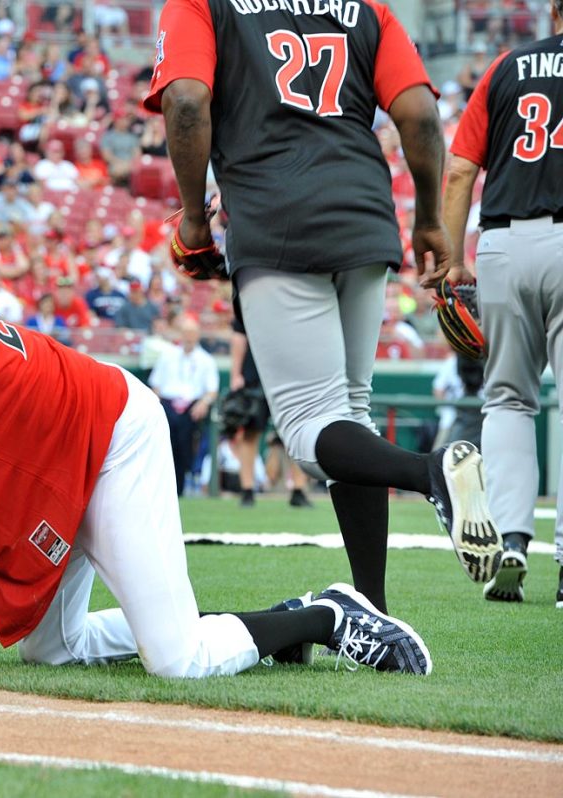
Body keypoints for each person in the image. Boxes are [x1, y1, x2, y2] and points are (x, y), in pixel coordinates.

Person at [0, 216, 433, 677]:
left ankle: (329, 614)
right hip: (45, 462)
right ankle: (270, 626)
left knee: (177, 660)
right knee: (52, 650)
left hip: (105, 438)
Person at [144, 0, 501, 610]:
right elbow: (417, 113)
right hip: (363, 213)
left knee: (310, 431)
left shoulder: (200, 4)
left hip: (274, 211)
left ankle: (431, 474)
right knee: (349, 415)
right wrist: (427, 219)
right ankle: (374, 608)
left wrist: (198, 219)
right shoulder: (368, 9)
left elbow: (184, 102)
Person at [443, 0, 563, 606]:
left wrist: (449, 257)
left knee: (510, 399)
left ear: (553, 12)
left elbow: (461, 169)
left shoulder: (506, 67)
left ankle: (513, 538)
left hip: (504, 244)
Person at [227, 318, 311, 509]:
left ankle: (298, 488)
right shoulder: (248, 294)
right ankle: (247, 489)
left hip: (289, 374)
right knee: (250, 434)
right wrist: (235, 375)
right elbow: (239, 337)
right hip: (255, 375)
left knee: (295, 433)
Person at [148, 316, 218, 495]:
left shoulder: (206, 360)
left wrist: (203, 403)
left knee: (187, 440)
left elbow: (211, 390)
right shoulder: (168, 355)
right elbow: (156, 384)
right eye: (186, 333)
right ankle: (167, 482)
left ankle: (187, 479)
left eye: (192, 333)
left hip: (192, 407)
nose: (189, 337)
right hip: (168, 404)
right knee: (168, 440)